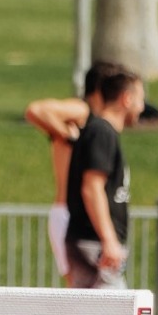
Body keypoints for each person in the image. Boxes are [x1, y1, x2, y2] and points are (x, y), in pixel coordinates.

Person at [63, 65, 158, 315]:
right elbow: (92, 188)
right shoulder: (103, 132)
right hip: (94, 241)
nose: (142, 103)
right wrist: (109, 238)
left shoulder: (98, 131)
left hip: (88, 238)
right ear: (126, 98)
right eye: (139, 95)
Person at [24, 62, 123, 285]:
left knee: (79, 292)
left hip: (65, 213)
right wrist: (68, 137)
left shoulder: (92, 128)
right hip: (70, 215)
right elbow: (35, 110)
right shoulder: (83, 111)